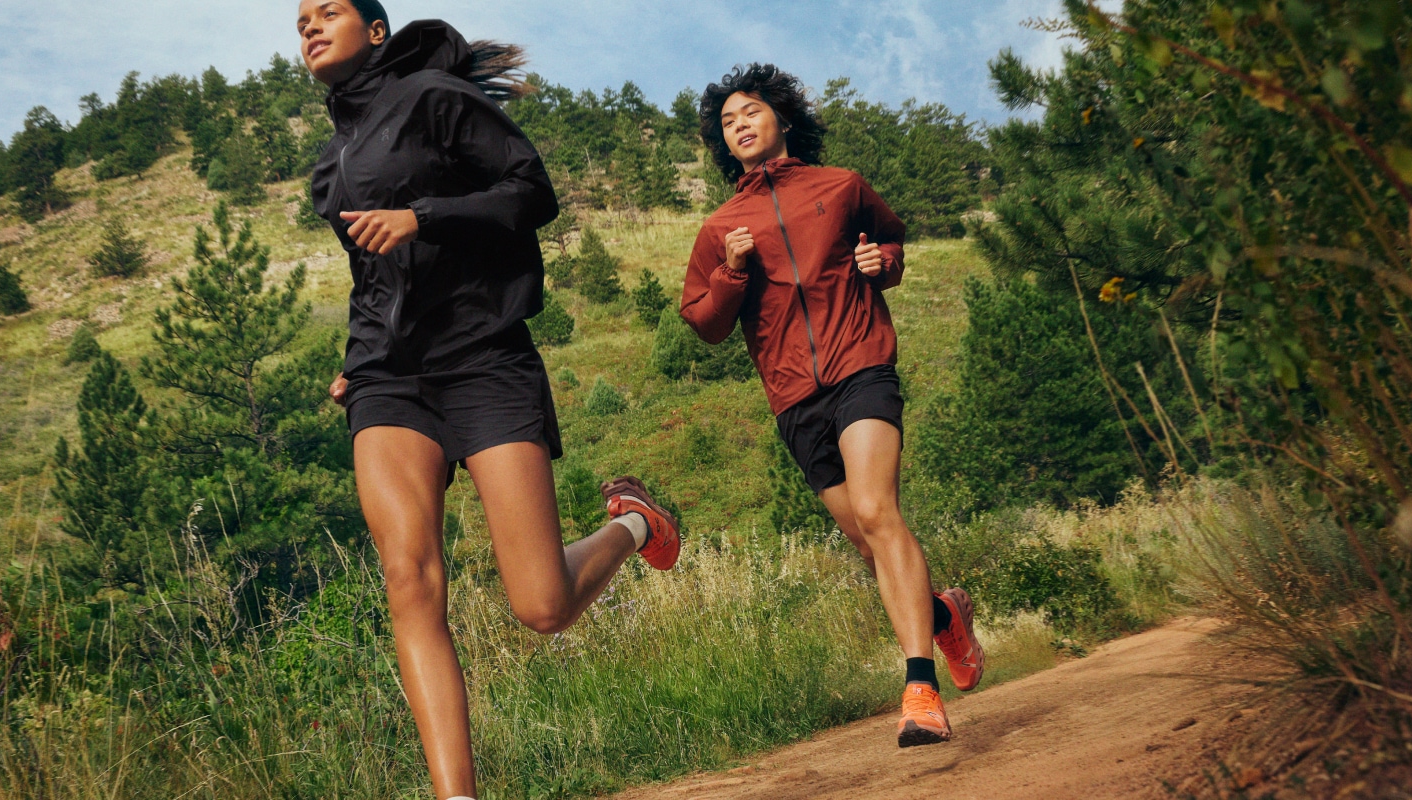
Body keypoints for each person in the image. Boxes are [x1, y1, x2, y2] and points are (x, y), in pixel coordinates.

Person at [298, 1, 681, 796]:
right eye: (298, 17)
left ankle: (635, 523)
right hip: (390, 380)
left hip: (484, 360)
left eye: (327, 10)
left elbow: (529, 192)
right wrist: (355, 360)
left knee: (543, 605)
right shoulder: (331, 166)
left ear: (375, 30)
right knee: (409, 579)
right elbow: (373, 280)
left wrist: (422, 216)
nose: (307, 24)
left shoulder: (438, 99)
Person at [680, 63, 986, 748]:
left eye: (751, 112)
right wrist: (731, 271)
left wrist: (887, 263)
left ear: (782, 118)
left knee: (880, 513)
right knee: (867, 541)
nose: (741, 126)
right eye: (728, 122)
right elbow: (702, 322)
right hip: (793, 398)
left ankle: (920, 689)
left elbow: (891, 237)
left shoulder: (840, 187)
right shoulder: (721, 226)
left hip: (861, 366)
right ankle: (942, 615)